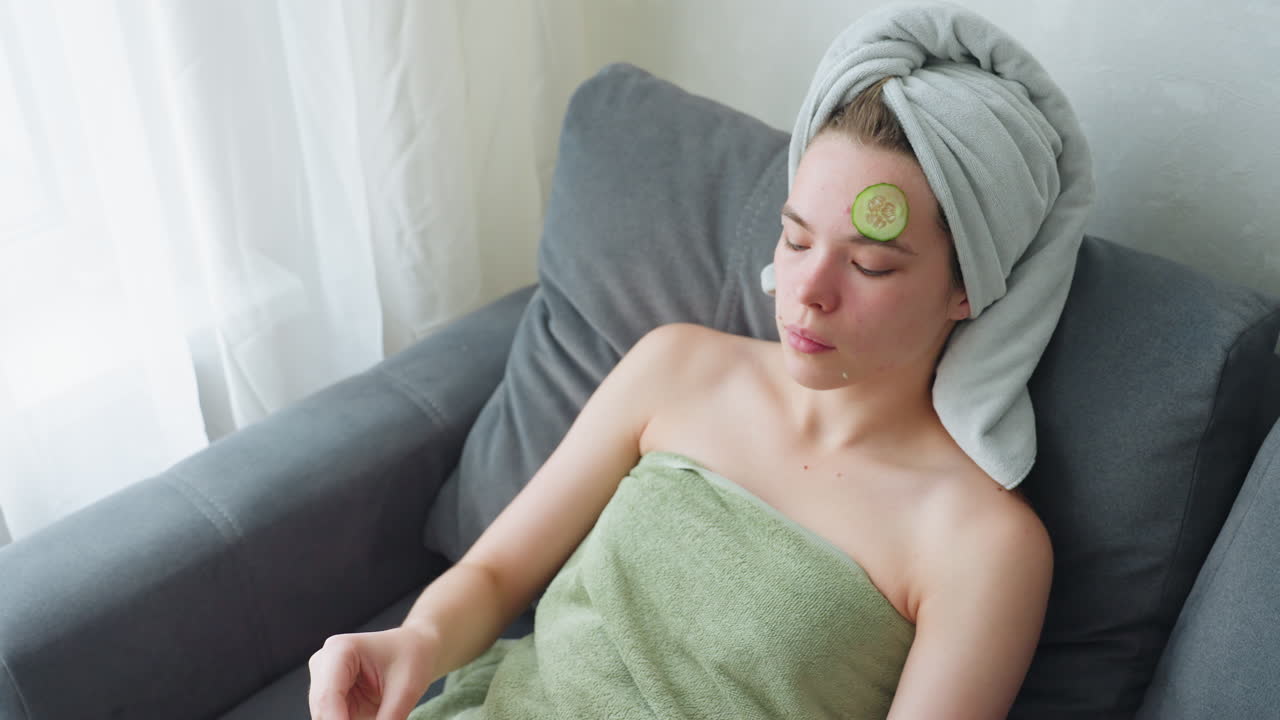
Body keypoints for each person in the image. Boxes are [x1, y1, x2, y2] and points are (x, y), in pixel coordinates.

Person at [309, 3, 1092, 718]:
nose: (807, 291)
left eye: (871, 266)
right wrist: (413, 642)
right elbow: (494, 577)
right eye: (794, 239)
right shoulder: (677, 367)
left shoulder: (980, 546)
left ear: (968, 291)